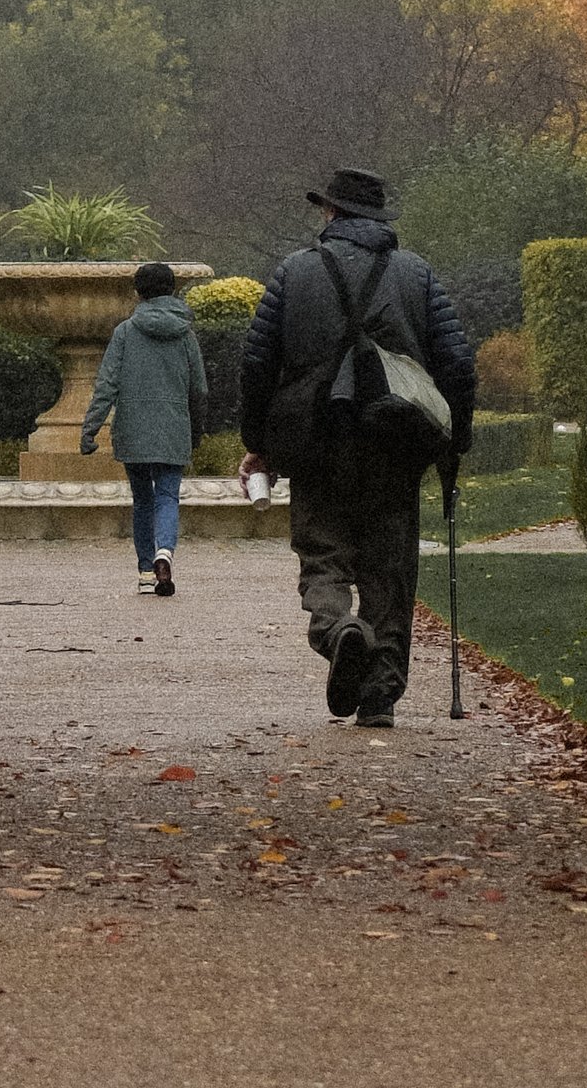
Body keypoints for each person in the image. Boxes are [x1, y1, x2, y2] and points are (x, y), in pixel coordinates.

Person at [237, 167, 476, 726]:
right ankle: (380, 696)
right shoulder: (415, 275)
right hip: (396, 441)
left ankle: (337, 626)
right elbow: (457, 363)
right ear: (377, 219)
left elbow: (256, 364)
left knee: (323, 554)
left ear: (331, 214)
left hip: (315, 440)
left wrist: (258, 443)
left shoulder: (294, 273)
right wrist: (455, 438)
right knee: (390, 569)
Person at [82, 260, 208, 595]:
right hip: (173, 428)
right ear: (172, 290)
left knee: (142, 500)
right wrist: (196, 430)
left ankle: (144, 571)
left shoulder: (125, 332)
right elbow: (199, 389)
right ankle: (164, 549)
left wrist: (90, 428)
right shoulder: (186, 334)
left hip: (133, 429)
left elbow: (107, 385)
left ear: (138, 293)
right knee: (167, 495)